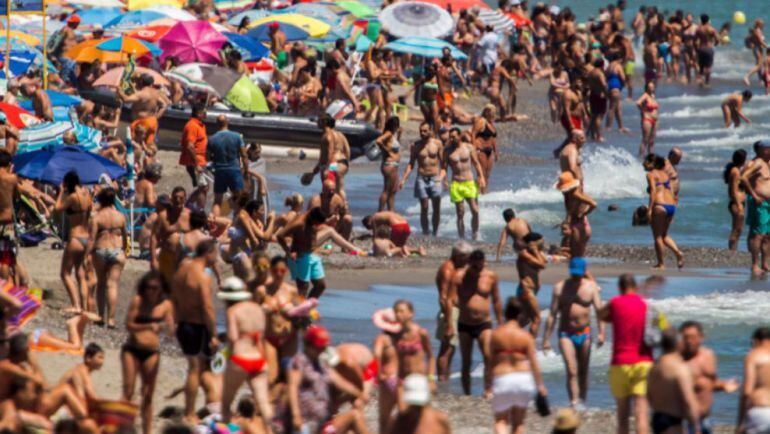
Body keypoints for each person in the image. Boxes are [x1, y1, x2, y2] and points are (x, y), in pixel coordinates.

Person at [542, 257, 604, 409]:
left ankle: (582, 402)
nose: (576, 276)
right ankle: (574, 402)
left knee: (583, 370)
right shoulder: (559, 288)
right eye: (573, 273)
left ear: (584, 272)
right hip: (566, 334)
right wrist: (546, 339)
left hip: (585, 333)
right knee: (571, 369)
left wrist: (601, 333)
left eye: (578, 274)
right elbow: (552, 315)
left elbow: (600, 311)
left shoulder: (591, 287)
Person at [171, 239, 220, 424]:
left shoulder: (182, 268)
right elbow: (207, 307)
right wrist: (214, 334)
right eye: (216, 253)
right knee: (195, 369)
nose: (217, 258)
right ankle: (190, 413)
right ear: (208, 253)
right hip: (197, 326)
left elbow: (174, 296)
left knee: (197, 368)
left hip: (182, 324)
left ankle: (204, 405)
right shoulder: (202, 276)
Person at [287, 325, 368, 434]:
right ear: (309, 345)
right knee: (354, 416)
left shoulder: (322, 365)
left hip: (324, 426)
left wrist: (360, 394)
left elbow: (341, 383)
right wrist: (296, 415)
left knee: (355, 415)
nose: (322, 350)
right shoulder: (299, 362)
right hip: (306, 425)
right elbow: (293, 387)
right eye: (319, 347)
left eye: (323, 348)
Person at [599, 274, 653, 434]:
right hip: (644, 362)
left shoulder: (615, 302)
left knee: (622, 416)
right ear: (635, 286)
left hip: (620, 362)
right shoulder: (645, 304)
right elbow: (660, 330)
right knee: (641, 415)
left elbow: (601, 315)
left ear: (619, 287)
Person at [121, 271, 174, 434]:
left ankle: (147, 430)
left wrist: (167, 328)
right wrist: (148, 326)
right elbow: (128, 325)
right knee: (128, 391)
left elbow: (170, 329)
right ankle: (124, 428)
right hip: (132, 349)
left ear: (161, 288)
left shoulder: (165, 305)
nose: (152, 291)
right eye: (149, 287)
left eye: (156, 288)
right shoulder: (138, 300)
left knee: (148, 393)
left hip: (151, 351)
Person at [486, 297, 547, 434]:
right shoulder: (525, 336)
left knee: (501, 421)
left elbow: (491, 362)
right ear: (520, 315)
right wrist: (540, 386)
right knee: (518, 423)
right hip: (522, 379)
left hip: (503, 378)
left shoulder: (496, 335)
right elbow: (534, 363)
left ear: (505, 313)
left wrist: (488, 385)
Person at [218, 277, 272, 428]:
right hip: (259, 360)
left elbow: (233, 338)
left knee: (226, 403)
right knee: (263, 403)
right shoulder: (258, 309)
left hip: (240, 359)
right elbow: (260, 338)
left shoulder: (232, 311)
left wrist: (226, 351)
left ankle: (228, 430)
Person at [451, 249, 502, 397]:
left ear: (484, 263)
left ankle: (488, 390)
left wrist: (500, 322)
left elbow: (496, 300)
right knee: (466, 361)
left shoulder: (490, 276)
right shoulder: (460, 276)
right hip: (464, 323)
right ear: (469, 263)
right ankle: (467, 394)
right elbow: (451, 298)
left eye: (480, 266)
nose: (477, 270)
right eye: (474, 267)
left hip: (484, 323)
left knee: (488, 356)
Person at [679, 321, 739, 434]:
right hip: (686, 421)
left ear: (701, 337)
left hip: (707, 418)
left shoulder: (708, 356)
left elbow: (710, 383)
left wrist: (724, 385)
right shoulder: (678, 360)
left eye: (693, 337)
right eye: (686, 337)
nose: (689, 341)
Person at [85, 188, 127, 328]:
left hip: (101, 250)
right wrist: (124, 251)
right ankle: (111, 320)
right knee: (112, 285)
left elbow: (91, 239)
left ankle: (101, 316)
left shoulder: (97, 217)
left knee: (102, 284)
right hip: (117, 251)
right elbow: (125, 236)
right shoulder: (120, 216)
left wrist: (86, 255)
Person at [647, 329, 701, 434]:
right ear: (678, 344)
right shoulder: (679, 368)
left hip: (657, 418)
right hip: (672, 420)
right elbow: (688, 400)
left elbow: (649, 395)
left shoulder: (654, 366)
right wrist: (696, 426)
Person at [55, 171, 93, 315]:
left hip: (75, 237)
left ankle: (76, 305)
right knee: (80, 274)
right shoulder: (86, 194)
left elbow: (57, 209)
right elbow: (90, 212)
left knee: (64, 273)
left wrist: (60, 192)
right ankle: (84, 307)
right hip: (86, 237)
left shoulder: (72, 197)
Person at [399, 122, 444, 236]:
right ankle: (425, 233)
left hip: (435, 178)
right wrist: (404, 179)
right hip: (421, 179)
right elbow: (411, 164)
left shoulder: (437, 144)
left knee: (436, 207)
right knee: (424, 207)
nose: (422, 133)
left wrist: (442, 179)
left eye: (425, 131)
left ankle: (435, 233)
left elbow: (444, 164)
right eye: (421, 131)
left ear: (430, 131)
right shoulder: (416, 146)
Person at [435, 241, 471, 382]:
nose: (467, 261)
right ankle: (442, 380)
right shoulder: (447, 270)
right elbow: (443, 298)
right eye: (466, 258)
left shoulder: (456, 267)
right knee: (446, 349)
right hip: (450, 313)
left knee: (451, 347)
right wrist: (449, 322)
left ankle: (446, 378)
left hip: (455, 312)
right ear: (457, 256)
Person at [275, 207, 329, 298]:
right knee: (303, 288)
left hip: (313, 255)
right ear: (313, 218)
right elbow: (280, 235)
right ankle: (300, 306)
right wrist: (287, 251)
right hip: (300, 257)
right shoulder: (299, 223)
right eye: (317, 223)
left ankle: (307, 305)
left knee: (321, 286)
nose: (317, 226)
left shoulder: (313, 218)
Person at [443, 127, 486, 240]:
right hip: (456, 184)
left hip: (469, 183)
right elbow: (444, 168)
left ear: (460, 135)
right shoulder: (447, 151)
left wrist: (481, 177)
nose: (451, 139)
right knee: (460, 213)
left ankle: (474, 235)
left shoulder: (469, 147)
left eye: (454, 137)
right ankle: (461, 237)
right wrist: (444, 180)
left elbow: (476, 163)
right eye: (450, 137)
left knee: (475, 210)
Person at [645, 154, 684, 269]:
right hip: (671, 205)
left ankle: (661, 264)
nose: (643, 163)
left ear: (652, 163)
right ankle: (678, 253)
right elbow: (671, 190)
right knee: (664, 235)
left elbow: (653, 191)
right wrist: (674, 206)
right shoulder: (665, 174)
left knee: (657, 236)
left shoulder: (650, 174)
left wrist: (649, 209)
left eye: (646, 161)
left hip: (659, 205)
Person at [741, 140, 770, 275]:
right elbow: (743, 177)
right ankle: (754, 264)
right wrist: (754, 195)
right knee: (758, 234)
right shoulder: (757, 163)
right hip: (760, 203)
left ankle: (765, 263)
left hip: (768, 203)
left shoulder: (767, 163)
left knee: (768, 236)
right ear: (763, 150)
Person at [151, 186, 191, 283]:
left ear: (185, 199)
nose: (178, 200)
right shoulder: (163, 216)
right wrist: (153, 259)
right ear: (171, 198)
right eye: (175, 197)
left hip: (185, 257)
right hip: (167, 255)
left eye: (181, 198)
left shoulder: (189, 216)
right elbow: (154, 237)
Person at [117, 73, 169, 146]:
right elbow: (164, 105)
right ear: (152, 83)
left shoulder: (141, 94)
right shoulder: (156, 93)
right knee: (149, 146)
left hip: (141, 123)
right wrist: (156, 117)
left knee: (135, 145)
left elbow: (126, 99)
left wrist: (119, 91)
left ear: (141, 82)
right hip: (152, 122)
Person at [306, 113, 351, 199]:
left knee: (328, 189)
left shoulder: (327, 136)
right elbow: (347, 151)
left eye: (319, 120)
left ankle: (337, 205)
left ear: (324, 122)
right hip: (343, 164)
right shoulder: (340, 134)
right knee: (339, 188)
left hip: (332, 164)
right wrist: (346, 165)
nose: (317, 122)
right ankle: (344, 205)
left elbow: (328, 155)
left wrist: (327, 168)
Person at [206, 115, 246, 209]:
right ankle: (239, 216)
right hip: (234, 170)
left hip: (220, 170)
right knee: (239, 198)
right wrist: (246, 170)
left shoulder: (211, 138)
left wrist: (214, 159)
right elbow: (244, 155)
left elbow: (207, 157)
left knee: (217, 200)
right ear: (227, 122)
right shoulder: (237, 136)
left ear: (217, 123)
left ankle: (214, 217)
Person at [556, 172, 597, 259]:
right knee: (574, 254)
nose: (562, 190)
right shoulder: (569, 194)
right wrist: (567, 221)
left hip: (580, 226)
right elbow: (571, 211)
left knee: (576, 256)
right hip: (578, 224)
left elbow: (593, 204)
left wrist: (584, 213)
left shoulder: (576, 194)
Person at [737, 327, 770, 434]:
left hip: (761, 412)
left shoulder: (753, 356)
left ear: (756, 341)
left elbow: (747, 392)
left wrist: (740, 423)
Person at [516, 232, 547, 335]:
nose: (543, 244)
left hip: (531, 290)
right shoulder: (524, 254)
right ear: (533, 243)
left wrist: (537, 250)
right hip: (526, 290)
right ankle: (530, 343)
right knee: (537, 319)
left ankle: (509, 336)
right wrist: (535, 250)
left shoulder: (535, 253)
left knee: (526, 318)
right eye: (541, 242)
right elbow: (542, 265)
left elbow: (544, 260)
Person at [375, 116, 402, 212]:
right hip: (389, 164)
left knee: (393, 190)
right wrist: (388, 151)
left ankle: (391, 210)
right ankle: (380, 211)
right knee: (387, 190)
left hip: (394, 165)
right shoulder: (388, 133)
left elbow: (396, 146)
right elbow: (378, 141)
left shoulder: (393, 134)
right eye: (396, 125)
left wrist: (399, 135)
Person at [179, 104, 208, 188]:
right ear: (199, 114)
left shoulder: (199, 125)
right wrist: (196, 164)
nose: (206, 115)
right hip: (196, 161)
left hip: (200, 160)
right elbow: (190, 146)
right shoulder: (192, 126)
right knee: (203, 187)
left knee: (203, 187)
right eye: (204, 113)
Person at [725, 150, 749, 250]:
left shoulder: (737, 170)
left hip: (739, 202)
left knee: (739, 229)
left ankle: (734, 249)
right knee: (736, 229)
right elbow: (733, 190)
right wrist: (739, 204)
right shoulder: (735, 171)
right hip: (736, 203)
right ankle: (732, 250)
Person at [472, 105, 499, 190]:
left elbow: (493, 138)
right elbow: (473, 134)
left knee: (487, 174)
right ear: (486, 112)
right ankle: (478, 192)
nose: (493, 113)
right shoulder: (481, 121)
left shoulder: (491, 123)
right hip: (481, 150)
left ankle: (485, 192)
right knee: (481, 173)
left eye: (494, 111)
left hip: (490, 151)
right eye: (491, 111)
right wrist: (474, 149)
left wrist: (496, 151)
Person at [636, 81, 660, 157]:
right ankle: (640, 157)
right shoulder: (645, 95)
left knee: (652, 141)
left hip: (655, 120)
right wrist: (643, 111)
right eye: (650, 87)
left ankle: (651, 157)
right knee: (645, 139)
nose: (652, 88)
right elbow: (638, 103)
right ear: (647, 88)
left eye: (653, 86)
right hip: (647, 120)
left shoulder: (653, 96)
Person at [695, 14, 719, 85]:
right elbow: (717, 39)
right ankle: (707, 82)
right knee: (708, 67)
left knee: (701, 67)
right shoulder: (711, 29)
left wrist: (696, 48)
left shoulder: (698, 29)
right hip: (709, 48)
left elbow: (695, 40)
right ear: (708, 20)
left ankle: (700, 80)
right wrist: (714, 45)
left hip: (701, 48)